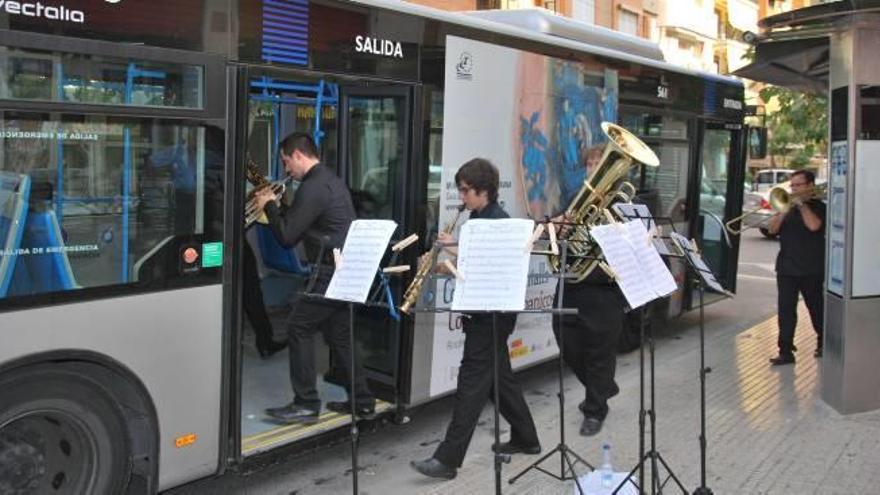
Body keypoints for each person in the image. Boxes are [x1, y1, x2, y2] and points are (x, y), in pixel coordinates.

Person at [411, 158, 541, 481]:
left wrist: (453, 250)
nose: (462, 198)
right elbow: (470, 271)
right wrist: (437, 266)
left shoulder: (497, 223)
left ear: (484, 191)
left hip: (492, 315)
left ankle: (447, 460)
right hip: (482, 311)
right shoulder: (475, 220)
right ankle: (527, 438)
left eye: (466, 191)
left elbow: (494, 265)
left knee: (471, 385)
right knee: (499, 379)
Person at [254, 132, 375, 423]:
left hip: (330, 272)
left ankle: (306, 403)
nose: (286, 170)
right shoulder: (328, 180)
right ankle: (363, 400)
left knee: (298, 327)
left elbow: (285, 237)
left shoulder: (313, 187)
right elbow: (300, 223)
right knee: (340, 336)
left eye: (286, 162)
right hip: (343, 269)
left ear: (298, 155)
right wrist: (278, 207)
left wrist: (269, 205)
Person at [766, 169, 825, 365]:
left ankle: (823, 341)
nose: (793, 189)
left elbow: (814, 226)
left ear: (809, 186)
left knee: (816, 307)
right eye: (792, 185)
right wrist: (782, 211)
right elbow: (772, 230)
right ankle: (785, 350)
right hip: (786, 267)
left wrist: (801, 207)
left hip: (811, 268)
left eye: (798, 185)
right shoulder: (786, 207)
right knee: (785, 310)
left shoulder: (818, 206)